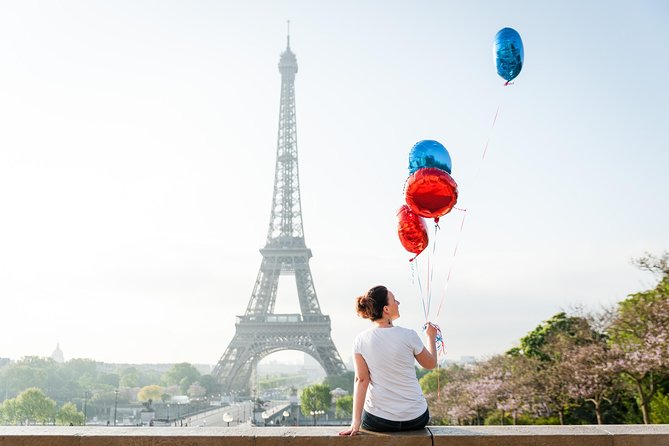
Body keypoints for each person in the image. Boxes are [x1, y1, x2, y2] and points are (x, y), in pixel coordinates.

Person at [339, 285, 438, 435]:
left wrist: (355, 422)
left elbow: (361, 380)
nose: (398, 303)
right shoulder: (409, 335)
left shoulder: (361, 340)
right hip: (416, 417)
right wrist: (431, 337)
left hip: (379, 420)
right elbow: (430, 364)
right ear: (386, 309)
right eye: (394, 300)